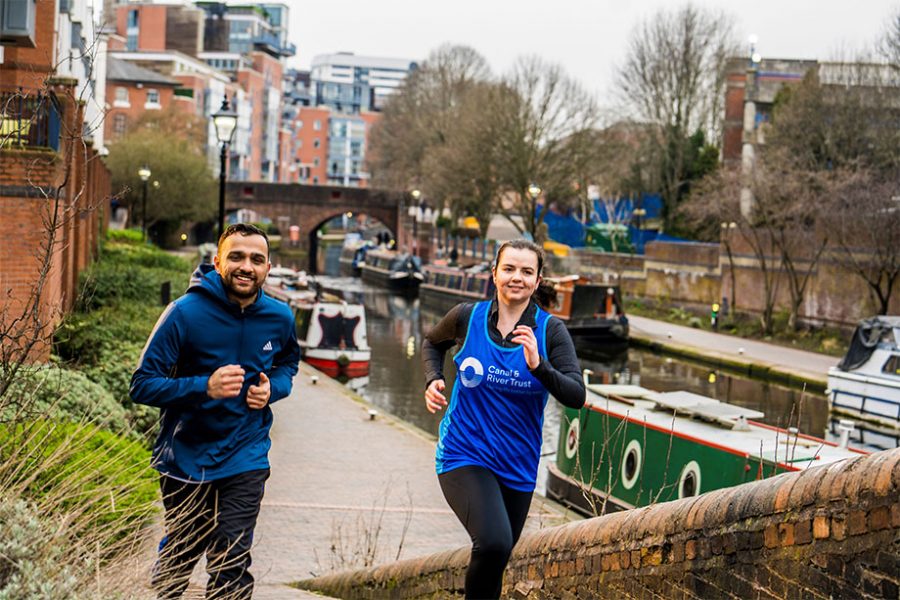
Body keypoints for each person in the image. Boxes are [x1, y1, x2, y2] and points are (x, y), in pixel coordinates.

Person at [131, 223, 300, 599]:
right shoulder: (184, 313)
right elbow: (141, 383)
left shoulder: (280, 317)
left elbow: (288, 365)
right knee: (183, 549)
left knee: (231, 557)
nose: (246, 266)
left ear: (268, 268)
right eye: (236, 256)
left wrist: (274, 388)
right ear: (217, 261)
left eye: (257, 259)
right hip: (186, 456)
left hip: (247, 454)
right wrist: (202, 386)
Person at [422, 239, 585, 599]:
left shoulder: (550, 331)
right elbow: (432, 343)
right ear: (494, 273)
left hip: (518, 465)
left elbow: (576, 396)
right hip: (464, 454)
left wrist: (538, 366)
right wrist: (434, 378)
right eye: (509, 269)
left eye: (527, 272)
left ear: (538, 280)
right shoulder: (468, 317)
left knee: (497, 557)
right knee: (493, 543)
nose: (517, 278)